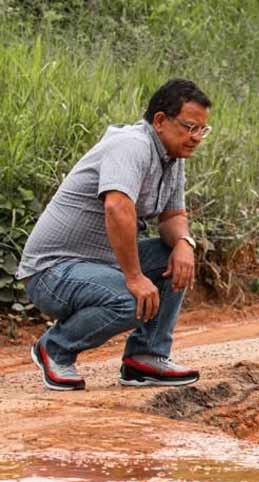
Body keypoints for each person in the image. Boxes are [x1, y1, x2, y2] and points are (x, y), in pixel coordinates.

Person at [17, 79, 212, 391]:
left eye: (202, 130)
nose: (196, 138)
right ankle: (55, 348)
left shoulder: (172, 158)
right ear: (160, 121)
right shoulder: (130, 145)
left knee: (172, 254)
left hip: (99, 266)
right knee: (129, 298)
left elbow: (173, 216)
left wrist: (184, 243)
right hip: (51, 271)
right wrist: (134, 277)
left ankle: (145, 357)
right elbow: (117, 208)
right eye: (190, 127)